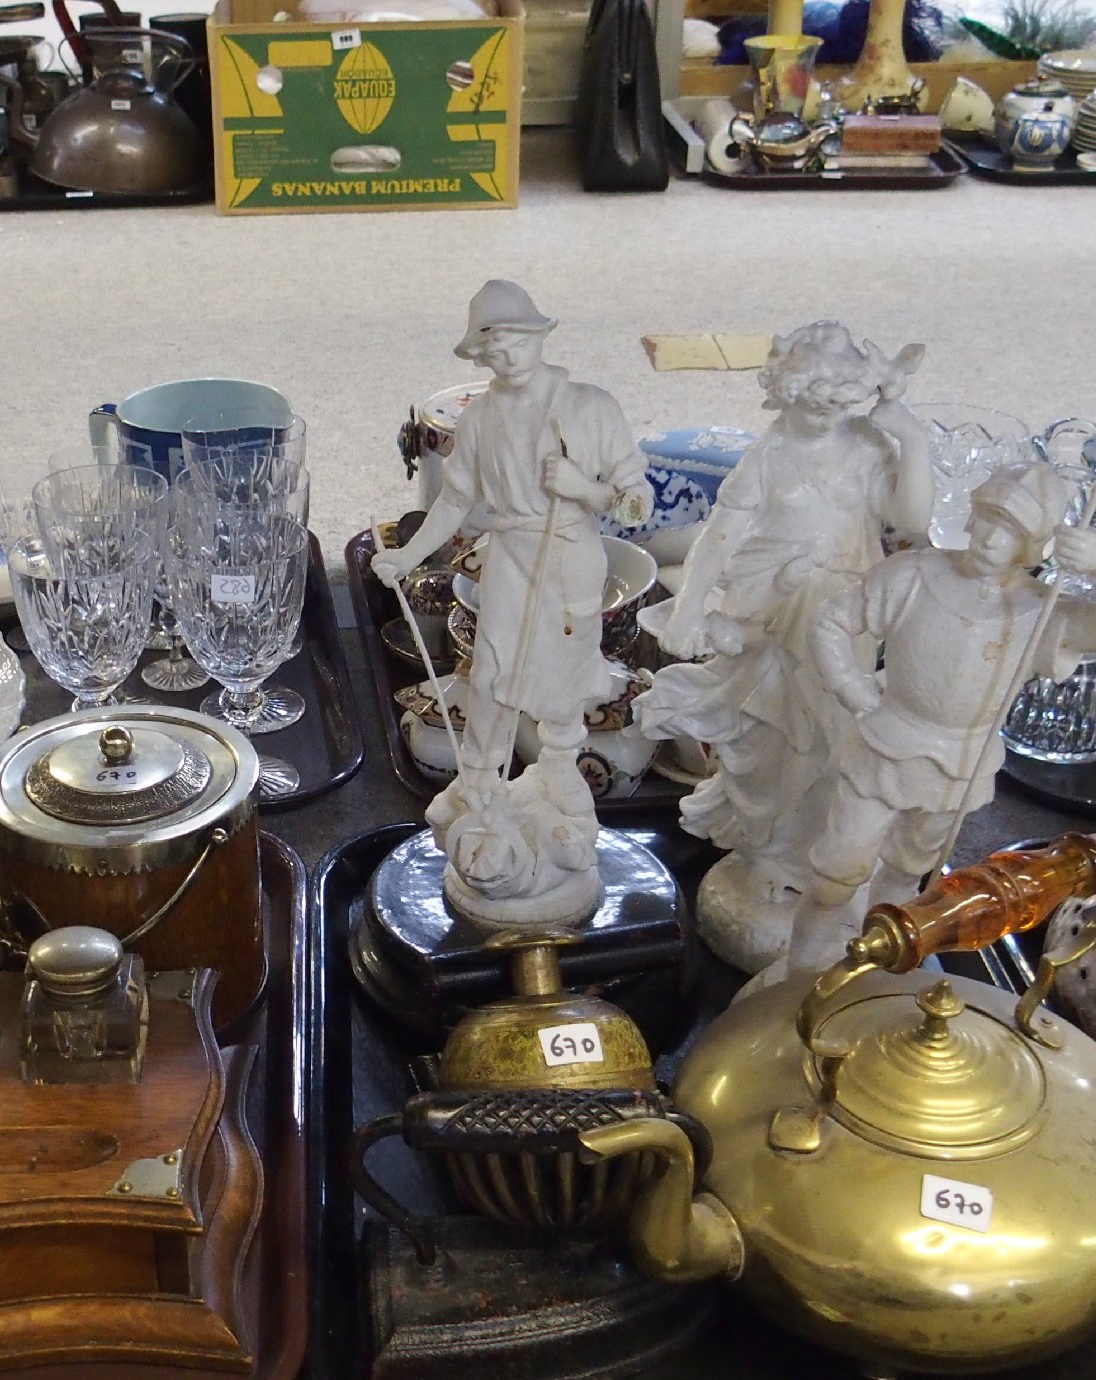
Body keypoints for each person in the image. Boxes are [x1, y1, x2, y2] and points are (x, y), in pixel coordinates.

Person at [631, 320, 933, 968]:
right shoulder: (768, 458)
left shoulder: (867, 446)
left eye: (839, 393)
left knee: (837, 742)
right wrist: (687, 610)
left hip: (845, 624)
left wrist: (910, 436)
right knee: (773, 744)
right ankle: (769, 854)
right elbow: (718, 537)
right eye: (814, 391)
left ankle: (822, 861)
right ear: (787, 389)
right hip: (775, 622)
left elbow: (913, 522)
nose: (827, 405)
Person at [784, 462, 1096, 972]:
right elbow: (833, 621)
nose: (992, 540)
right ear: (972, 515)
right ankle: (797, 973)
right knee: (838, 869)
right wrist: (855, 690)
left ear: (1032, 545)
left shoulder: (1039, 611)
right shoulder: (913, 574)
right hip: (887, 745)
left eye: (1012, 531)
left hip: (962, 761)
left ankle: (877, 969)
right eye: (989, 520)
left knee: (910, 874)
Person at [371, 281, 652, 923]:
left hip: (571, 557)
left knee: (562, 678)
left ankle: (557, 773)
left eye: (515, 341)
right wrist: (405, 557)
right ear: (479, 356)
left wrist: (588, 489)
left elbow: (639, 502)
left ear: (539, 337)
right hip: (511, 558)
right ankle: (480, 786)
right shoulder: (481, 419)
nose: (506, 357)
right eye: (492, 348)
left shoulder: (588, 407)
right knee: (493, 675)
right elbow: (453, 499)